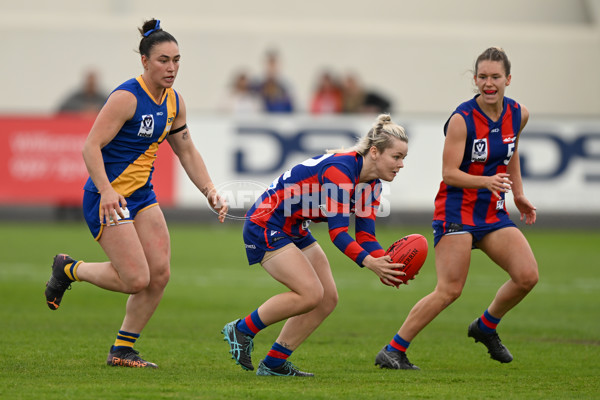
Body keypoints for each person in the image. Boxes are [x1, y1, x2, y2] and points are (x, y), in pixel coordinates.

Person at [44, 19, 228, 369]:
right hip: (106, 198)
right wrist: (107, 190)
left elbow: (186, 150)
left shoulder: (175, 102)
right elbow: (90, 147)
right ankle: (69, 270)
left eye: (176, 60)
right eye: (163, 60)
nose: (171, 67)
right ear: (144, 62)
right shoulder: (127, 97)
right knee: (135, 279)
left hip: (141, 197)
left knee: (159, 275)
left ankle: (122, 350)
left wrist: (209, 190)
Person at [374, 47, 539, 370]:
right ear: (475, 79)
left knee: (527, 276)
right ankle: (393, 350)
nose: (489, 83)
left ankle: (486, 326)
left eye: (495, 77)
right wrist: (487, 181)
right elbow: (449, 173)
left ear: (508, 79)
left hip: (491, 213)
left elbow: (511, 152)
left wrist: (518, 194)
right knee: (449, 290)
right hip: (456, 213)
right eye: (483, 77)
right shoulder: (462, 120)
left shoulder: (519, 114)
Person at [222, 114, 410, 376]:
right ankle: (241, 329)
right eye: (397, 157)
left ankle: (274, 363)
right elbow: (339, 234)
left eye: (404, 158)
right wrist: (370, 263)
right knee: (310, 293)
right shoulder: (341, 170)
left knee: (327, 298)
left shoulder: (372, 186)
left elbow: (366, 237)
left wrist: (387, 263)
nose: (401, 165)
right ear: (375, 152)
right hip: (266, 223)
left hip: (294, 227)